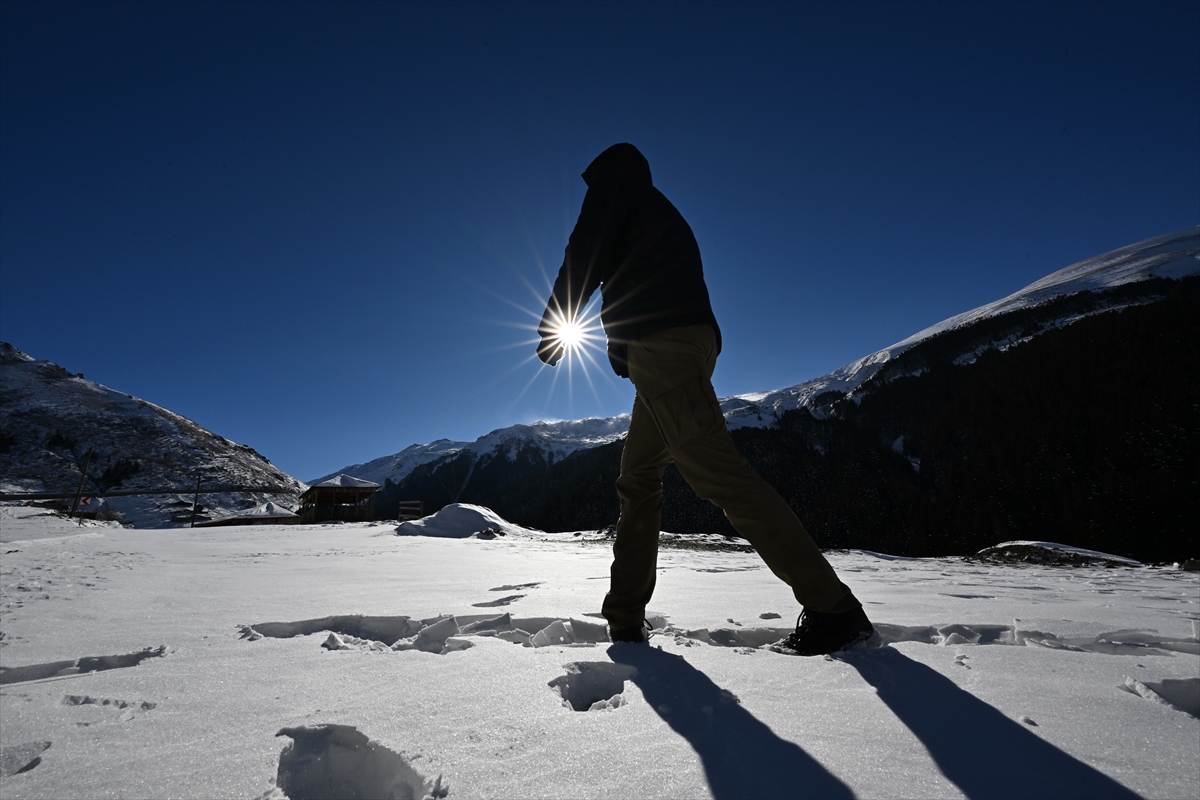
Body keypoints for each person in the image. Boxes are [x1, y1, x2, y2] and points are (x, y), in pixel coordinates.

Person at [537, 143, 873, 655]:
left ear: (607, 175)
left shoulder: (616, 193)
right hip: (682, 346)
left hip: (663, 347)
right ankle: (625, 619)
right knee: (638, 476)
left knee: (721, 477)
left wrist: (555, 320)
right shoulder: (661, 211)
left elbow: (586, 248)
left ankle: (834, 609)